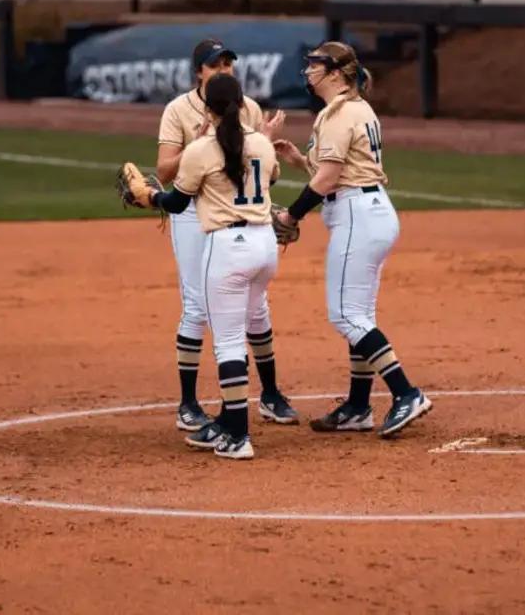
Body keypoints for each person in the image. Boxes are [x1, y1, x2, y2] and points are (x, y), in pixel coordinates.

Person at [273, 41, 432, 439]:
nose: (308, 70)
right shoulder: (356, 109)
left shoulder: (340, 114)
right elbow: (336, 169)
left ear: (334, 72)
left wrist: (292, 214)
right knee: (359, 314)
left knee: (345, 315)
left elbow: (329, 179)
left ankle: (406, 393)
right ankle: (359, 406)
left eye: (314, 65)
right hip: (371, 212)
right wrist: (300, 162)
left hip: (358, 217)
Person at [155, 39, 296, 433]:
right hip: (193, 214)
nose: (224, 69)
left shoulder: (246, 107)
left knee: (256, 308)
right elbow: (166, 172)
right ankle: (188, 404)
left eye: (228, 63)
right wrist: (199, 145)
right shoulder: (177, 111)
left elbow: (256, 168)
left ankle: (268, 394)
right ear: (198, 72)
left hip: (234, 216)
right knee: (197, 306)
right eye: (215, 64)